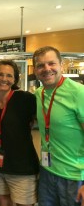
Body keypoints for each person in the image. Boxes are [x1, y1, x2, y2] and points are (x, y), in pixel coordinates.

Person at [33, 46, 84, 206]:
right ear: (35, 70)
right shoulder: (38, 94)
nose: (46, 69)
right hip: (47, 172)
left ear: (61, 65)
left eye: (51, 63)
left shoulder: (78, 93)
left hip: (75, 176)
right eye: (41, 65)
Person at [0, 60, 39, 206]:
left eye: (9, 76)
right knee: (3, 202)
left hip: (23, 167)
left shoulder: (25, 99)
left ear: (15, 79)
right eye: (0, 74)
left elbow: (43, 118)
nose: (4, 79)